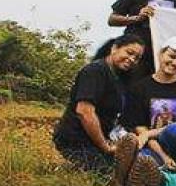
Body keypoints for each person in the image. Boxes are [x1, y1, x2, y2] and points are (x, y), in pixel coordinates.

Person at [116, 36, 176, 186]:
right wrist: (164, 156)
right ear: (161, 54)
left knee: (175, 130)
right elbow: (141, 129)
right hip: (153, 147)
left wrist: (150, 133)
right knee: (144, 161)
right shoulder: (139, 88)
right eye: (172, 56)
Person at [52, 34, 145, 173]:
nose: (132, 59)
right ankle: (68, 168)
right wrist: (105, 147)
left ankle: (75, 167)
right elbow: (84, 112)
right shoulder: (94, 71)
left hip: (97, 142)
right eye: (129, 52)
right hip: (76, 141)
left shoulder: (119, 78)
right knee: (109, 176)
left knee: (131, 169)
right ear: (114, 48)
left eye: (137, 58)